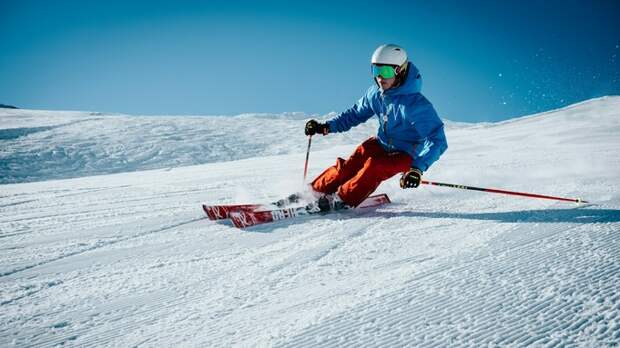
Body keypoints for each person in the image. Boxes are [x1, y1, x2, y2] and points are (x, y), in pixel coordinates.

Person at [304, 44, 448, 211]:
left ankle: (342, 199)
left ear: (399, 71)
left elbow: (437, 140)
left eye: (385, 71)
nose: (380, 77)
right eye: (375, 71)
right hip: (381, 143)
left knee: (375, 166)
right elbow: (354, 114)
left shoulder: (415, 105)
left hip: (406, 153)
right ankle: (313, 192)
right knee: (349, 166)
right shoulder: (375, 94)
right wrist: (325, 127)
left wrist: (417, 168)